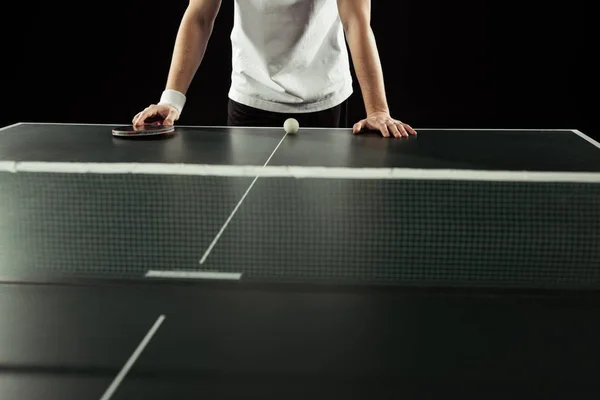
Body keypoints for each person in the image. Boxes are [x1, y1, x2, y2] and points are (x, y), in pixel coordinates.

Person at [132, 0, 417, 138]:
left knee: (324, 221)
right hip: (252, 95)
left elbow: (356, 21)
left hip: (324, 97)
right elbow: (199, 16)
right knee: (251, 229)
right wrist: (171, 99)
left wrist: (377, 110)